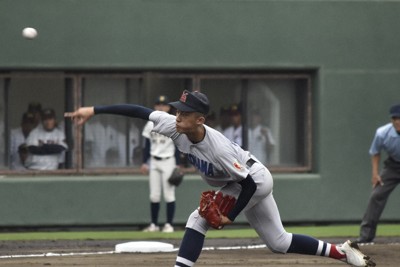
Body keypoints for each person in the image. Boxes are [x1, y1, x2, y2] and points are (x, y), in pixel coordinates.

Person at [65, 90, 375, 267]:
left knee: (198, 218)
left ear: (200, 120)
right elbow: (138, 111)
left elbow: (250, 185)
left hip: (252, 178)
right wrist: (94, 109)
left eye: (184, 113)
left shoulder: (219, 147)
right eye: (177, 110)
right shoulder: (174, 125)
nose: (177, 116)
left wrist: (230, 215)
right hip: (242, 181)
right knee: (279, 242)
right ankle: (341, 252)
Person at [357, 104, 400, 244]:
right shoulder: (382, 133)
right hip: (393, 166)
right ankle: (366, 237)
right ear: (391, 120)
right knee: (377, 195)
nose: (398, 121)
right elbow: (375, 152)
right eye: (395, 118)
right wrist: (375, 174)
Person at [141, 95, 180, 233]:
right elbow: (146, 145)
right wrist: (144, 162)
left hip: (168, 160)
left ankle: (169, 224)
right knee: (154, 195)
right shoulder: (150, 123)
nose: (161, 107)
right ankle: (154, 225)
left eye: (164, 105)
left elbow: (178, 143)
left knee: (169, 194)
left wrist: (178, 163)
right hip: (153, 160)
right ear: (155, 107)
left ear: (168, 107)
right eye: (159, 105)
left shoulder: (173, 122)